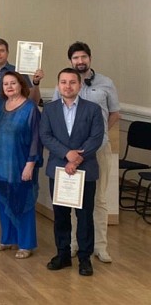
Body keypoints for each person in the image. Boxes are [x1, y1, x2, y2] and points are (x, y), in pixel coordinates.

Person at [55, 41, 120, 264]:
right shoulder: (65, 83)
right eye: (75, 58)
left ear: (90, 58)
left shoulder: (106, 83)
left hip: (98, 150)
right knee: (72, 199)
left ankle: (100, 246)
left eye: (83, 57)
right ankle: (75, 244)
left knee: (99, 199)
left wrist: (97, 136)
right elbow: (58, 115)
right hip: (71, 154)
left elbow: (115, 113)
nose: (80, 61)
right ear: (70, 61)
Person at [40, 68, 104, 277]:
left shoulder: (93, 109)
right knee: (61, 215)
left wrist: (76, 159)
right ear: (58, 85)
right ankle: (63, 255)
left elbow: (96, 137)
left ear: (79, 85)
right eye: (63, 82)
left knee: (84, 216)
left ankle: (85, 258)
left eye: (72, 82)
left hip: (85, 170)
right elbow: (45, 136)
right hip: (59, 169)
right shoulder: (49, 109)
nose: (68, 86)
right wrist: (67, 154)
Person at [0, 38, 43, 231]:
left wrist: (35, 83)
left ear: (7, 52)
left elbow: (33, 100)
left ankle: (19, 229)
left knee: (17, 183)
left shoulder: (19, 72)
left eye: (1, 50)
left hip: (16, 134)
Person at [0, 71, 41, 259]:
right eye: (6, 84)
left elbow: (36, 139)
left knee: (23, 203)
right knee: (3, 203)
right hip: (0, 164)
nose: (9, 86)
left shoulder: (30, 108)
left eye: (13, 83)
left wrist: (30, 163)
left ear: (21, 85)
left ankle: (26, 244)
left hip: (21, 164)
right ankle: (7, 239)